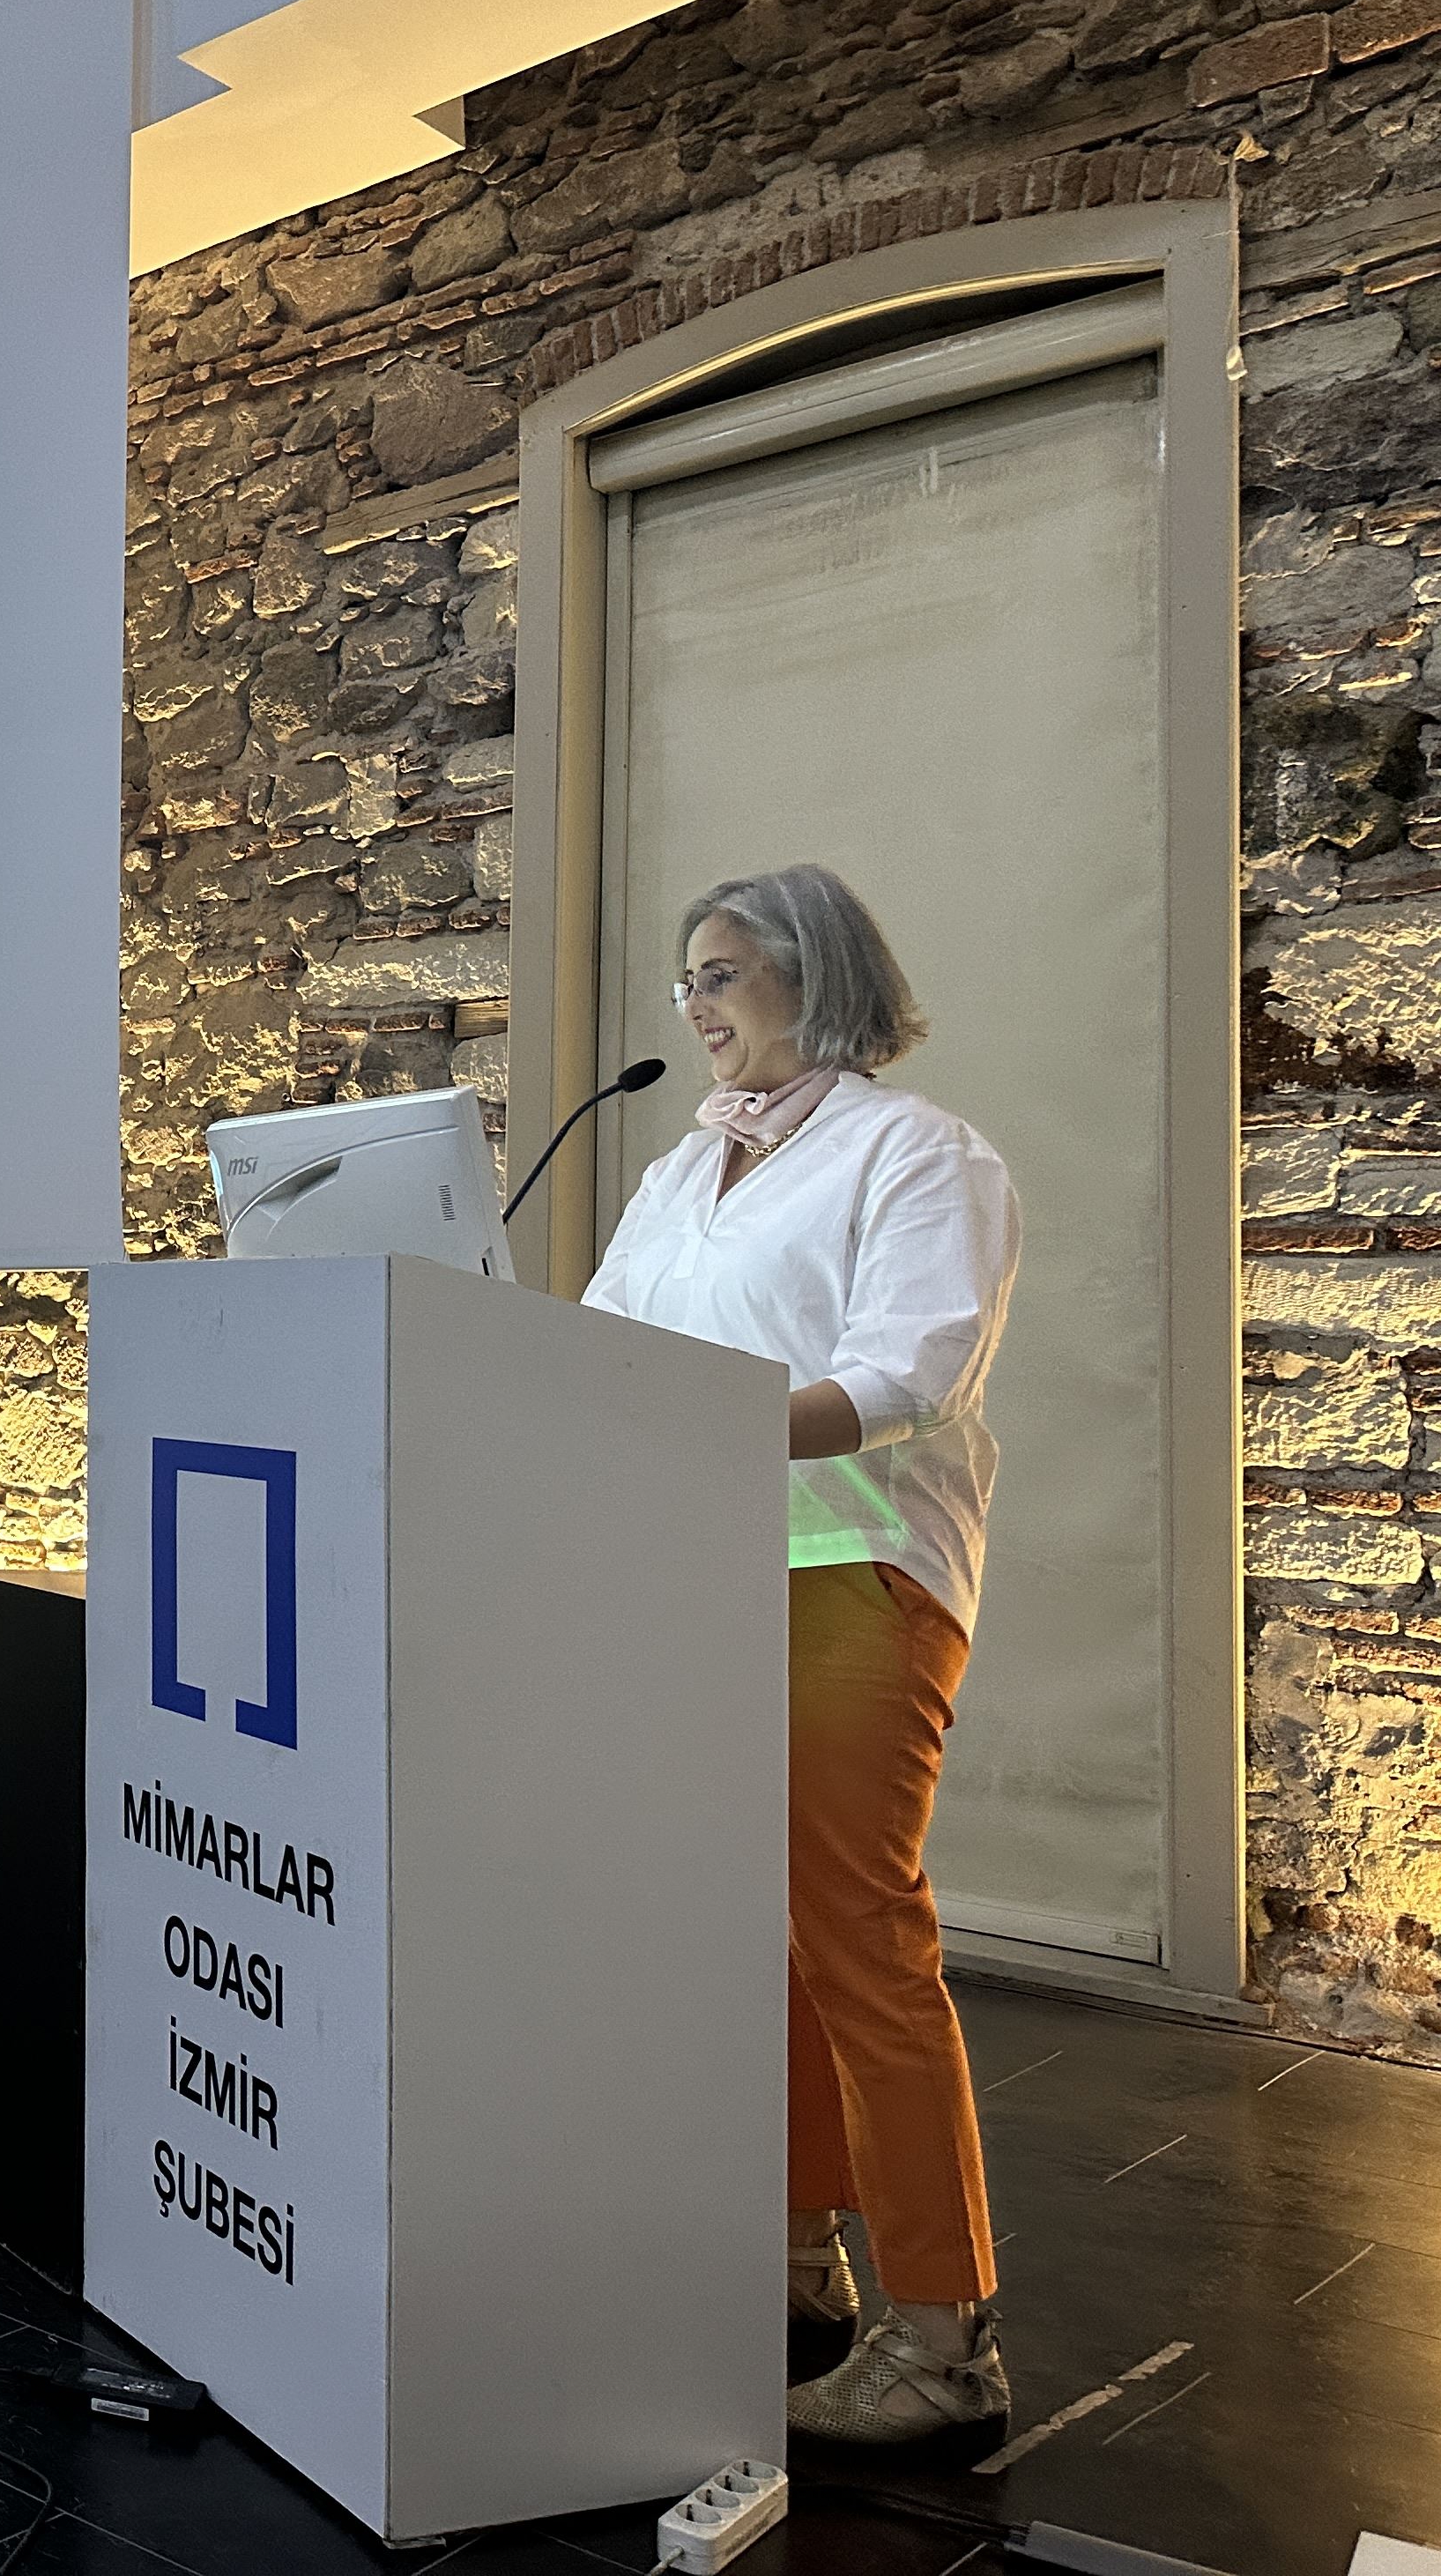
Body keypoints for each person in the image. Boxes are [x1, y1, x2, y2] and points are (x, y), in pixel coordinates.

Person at [583, 865, 1021, 2446]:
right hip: (696, 1571)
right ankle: (795, 2260)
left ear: (813, 974)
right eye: (686, 980)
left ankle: (944, 2339)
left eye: (721, 973)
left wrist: (694, 1429)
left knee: (856, 1931)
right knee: (742, 1932)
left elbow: (909, 1373)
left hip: (853, 1564)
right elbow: (602, 1346)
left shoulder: (917, 1153)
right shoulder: (679, 1169)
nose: (694, 1006)